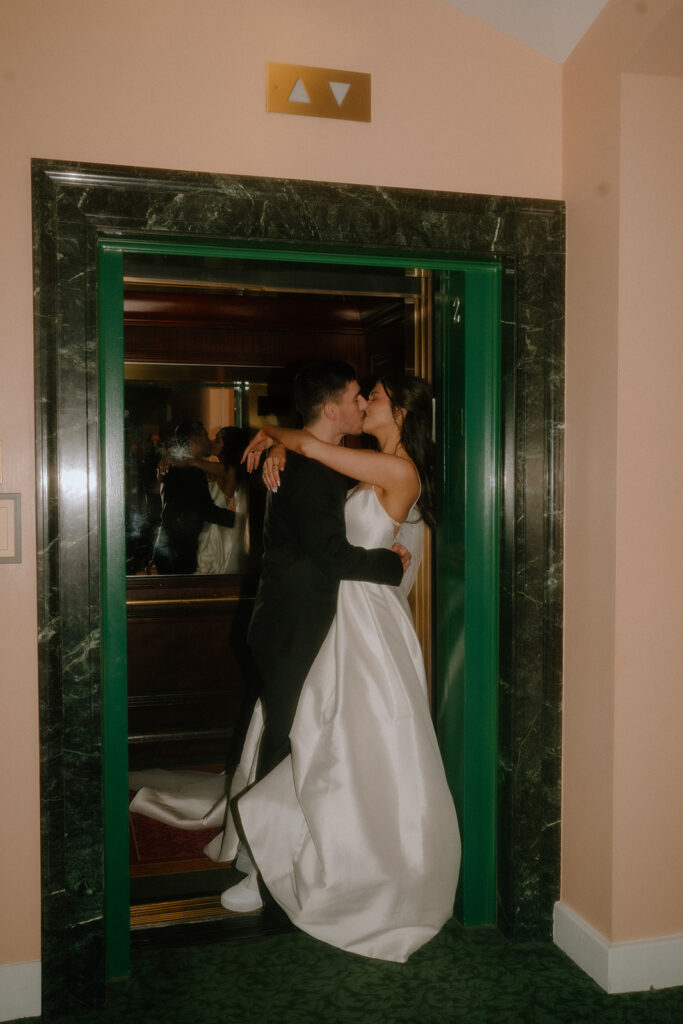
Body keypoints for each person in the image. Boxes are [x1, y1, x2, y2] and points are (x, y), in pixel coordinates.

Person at [218, 372, 461, 963]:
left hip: (368, 622)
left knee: (347, 747)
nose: (365, 402)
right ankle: (276, 856)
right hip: (336, 615)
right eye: (362, 395)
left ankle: (340, 866)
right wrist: (282, 442)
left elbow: (312, 446)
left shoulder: (400, 472)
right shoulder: (363, 460)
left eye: (374, 397)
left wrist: (272, 432)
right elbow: (315, 457)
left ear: (401, 413)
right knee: (312, 736)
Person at [151, 421, 236, 574]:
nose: (208, 440)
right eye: (206, 436)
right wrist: (240, 520)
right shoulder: (187, 470)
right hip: (178, 552)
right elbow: (206, 511)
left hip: (169, 548)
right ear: (195, 439)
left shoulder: (180, 466)